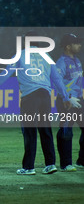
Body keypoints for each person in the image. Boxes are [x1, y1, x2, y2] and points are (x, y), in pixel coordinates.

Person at [0, 31, 75, 175]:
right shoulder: (46, 56)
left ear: (25, 42)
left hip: (30, 96)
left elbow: (5, 74)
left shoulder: (20, 55)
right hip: (45, 95)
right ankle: (50, 164)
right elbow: (56, 79)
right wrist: (65, 98)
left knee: (29, 131)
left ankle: (29, 167)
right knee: (45, 130)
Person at [56, 33, 84, 172]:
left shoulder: (77, 60)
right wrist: (67, 97)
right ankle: (65, 163)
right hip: (67, 102)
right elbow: (57, 82)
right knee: (66, 131)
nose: (79, 45)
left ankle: (82, 161)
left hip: (79, 100)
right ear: (68, 46)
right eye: (76, 43)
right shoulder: (61, 62)